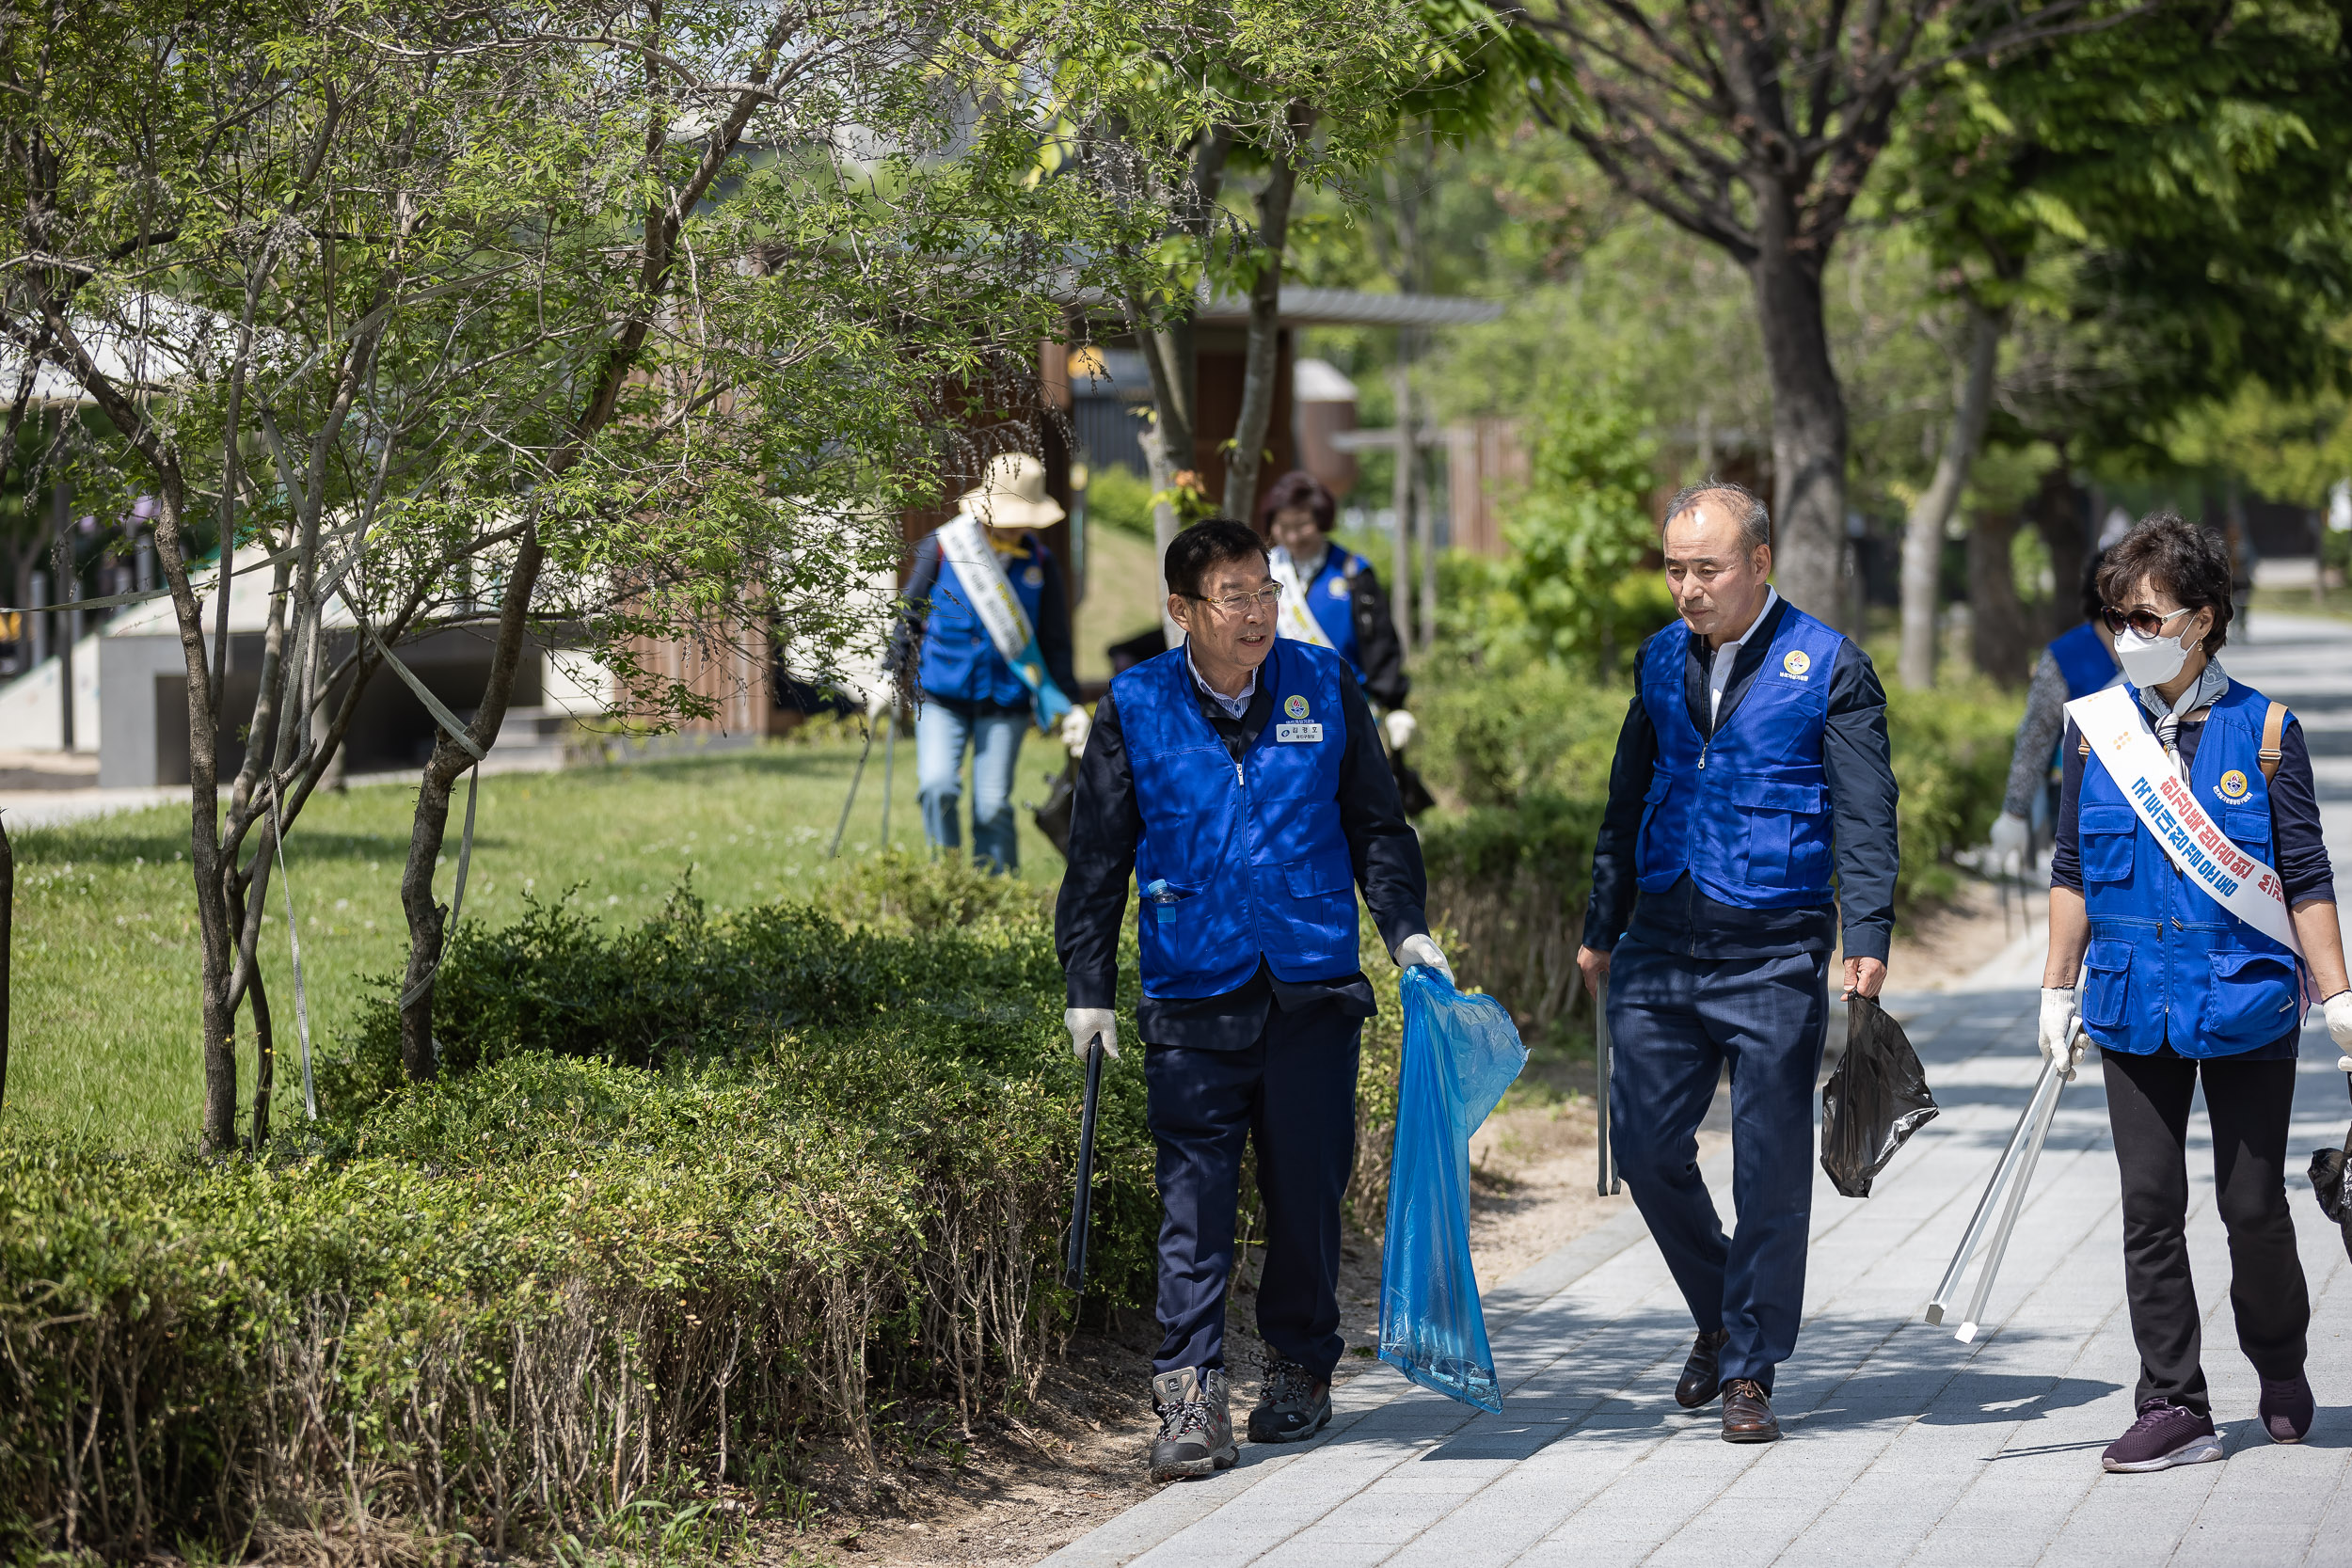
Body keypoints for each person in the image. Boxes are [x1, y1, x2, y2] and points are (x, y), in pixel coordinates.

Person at [1054, 518, 1448, 1481]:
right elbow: (1098, 857)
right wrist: (1088, 987)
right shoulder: (1134, 705)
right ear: (1181, 610)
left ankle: (1301, 1368)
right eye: (1235, 595)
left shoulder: (1323, 681)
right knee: (1193, 1198)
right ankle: (1189, 1391)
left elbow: (1377, 825)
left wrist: (1404, 928)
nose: (1259, 611)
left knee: (1306, 1193)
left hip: (1311, 984)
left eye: (1265, 589)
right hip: (1194, 987)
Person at [1573, 481, 1899, 1444]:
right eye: (1674, 567)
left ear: (1758, 562)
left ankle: (1749, 1364)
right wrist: (1602, 921)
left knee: (1767, 1163)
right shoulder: (1656, 659)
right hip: (1663, 939)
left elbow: (1865, 810)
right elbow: (1624, 798)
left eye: (1705, 567)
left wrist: (1866, 937)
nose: (1686, 586)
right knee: (1640, 1146)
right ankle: (1722, 1309)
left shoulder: (1829, 663)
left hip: (1772, 941)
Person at [2037, 512, 2352, 1473]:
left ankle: (2280, 1359)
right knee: (2147, 1202)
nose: (2127, 637)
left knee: (2251, 1205)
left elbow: (2303, 873)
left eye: (2145, 617)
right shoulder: (2094, 733)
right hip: (2134, 999)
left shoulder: (2264, 734)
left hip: (2244, 995)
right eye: (2115, 618)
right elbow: (2070, 866)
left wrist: (2339, 998)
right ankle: (2172, 1399)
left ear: (2202, 619)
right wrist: (2054, 987)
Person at [889, 453, 1085, 873]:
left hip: (1006, 700)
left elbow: (1055, 640)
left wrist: (1069, 704)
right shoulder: (943, 546)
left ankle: (998, 896)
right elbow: (909, 615)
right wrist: (888, 678)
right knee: (937, 787)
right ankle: (947, 882)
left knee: (992, 805)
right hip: (942, 694)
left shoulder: (1040, 563)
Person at [1258, 470, 1416, 753]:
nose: (1293, 536)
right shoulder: (1263, 574)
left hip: (1347, 707)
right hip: (1279, 710)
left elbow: (1379, 641)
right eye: (1284, 526)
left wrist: (1394, 705)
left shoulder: (1353, 572)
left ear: (1321, 520)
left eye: (1302, 524)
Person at [1990, 552, 2120, 864]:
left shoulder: (2166, 655)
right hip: (2083, 811)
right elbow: (2036, 736)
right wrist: (2014, 812)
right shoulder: (2065, 656)